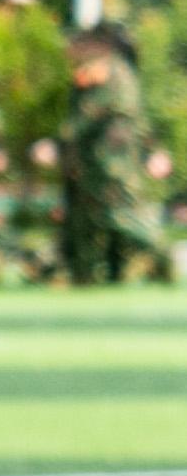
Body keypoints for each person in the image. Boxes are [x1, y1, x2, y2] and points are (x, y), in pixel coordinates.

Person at [56, 23, 172, 285]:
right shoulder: (108, 70)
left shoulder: (108, 70)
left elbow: (92, 114)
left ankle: (160, 254)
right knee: (95, 217)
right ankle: (92, 272)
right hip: (100, 159)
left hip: (110, 160)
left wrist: (62, 140)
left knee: (120, 214)